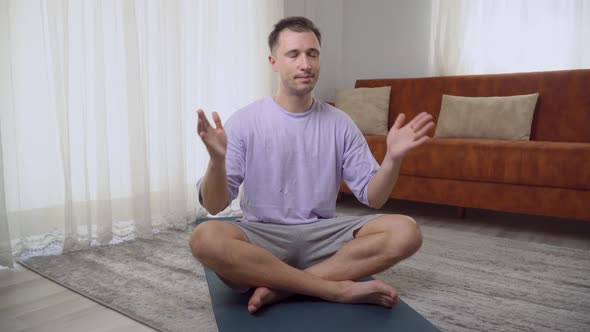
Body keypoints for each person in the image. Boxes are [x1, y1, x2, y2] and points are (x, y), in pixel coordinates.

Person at [190, 16, 434, 314]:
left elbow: (375, 197)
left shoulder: (340, 123)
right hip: (263, 237)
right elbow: (215, 206)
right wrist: (216, 162)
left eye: (312, 54)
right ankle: (334, 288)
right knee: (205, 239)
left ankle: (280, 289)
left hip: (323, 236)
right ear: (274, 62)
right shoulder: (244, 121)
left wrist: (392, 160)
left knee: (406, 232)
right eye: (293, 54)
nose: (305, 63)